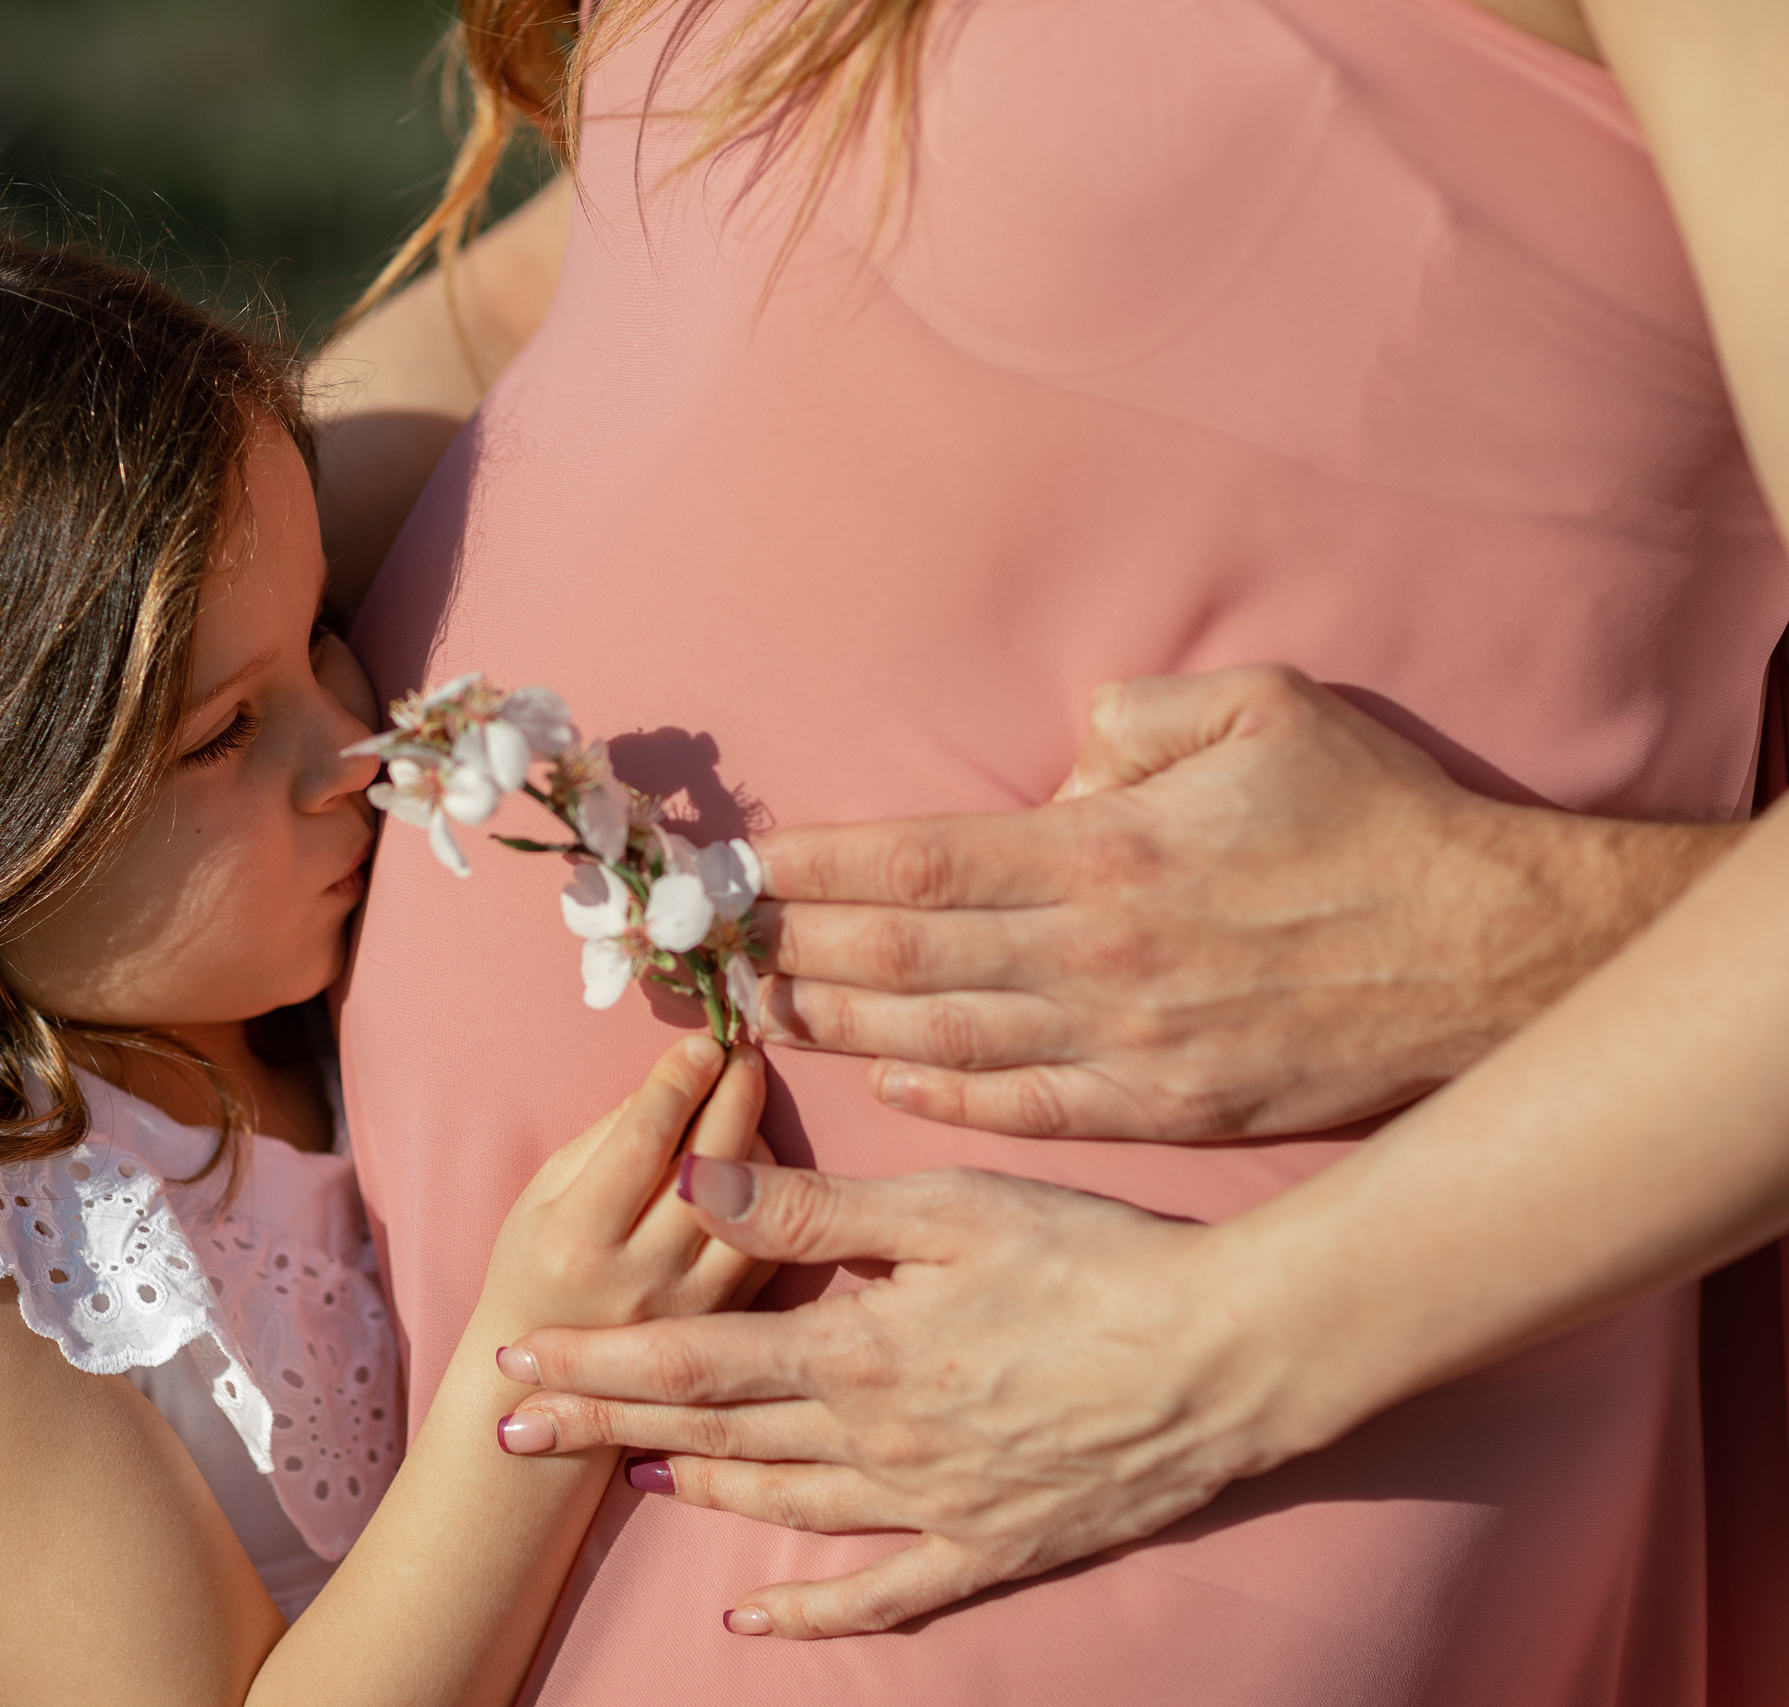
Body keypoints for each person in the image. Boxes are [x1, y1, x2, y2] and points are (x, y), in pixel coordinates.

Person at [309, 0, 1788, 1697]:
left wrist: (1207, 1357)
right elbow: (568, 277)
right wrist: (43, 658)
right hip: (501, 1419)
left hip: (1104, 1434)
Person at [0, 229, 771, 1707]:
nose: (351, 750)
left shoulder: (180, 953)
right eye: (222, 733)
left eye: (325, 626)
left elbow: (495, 314)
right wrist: (544, 1369)